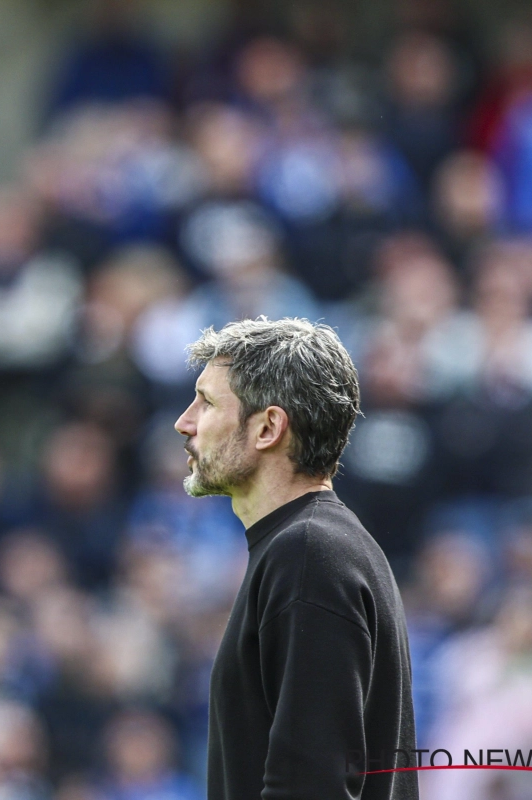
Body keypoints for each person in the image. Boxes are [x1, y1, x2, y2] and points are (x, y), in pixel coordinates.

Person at [174, 318, 417, 799]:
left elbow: (310, 786)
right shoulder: (315, 546)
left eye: (206, 402)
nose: (185, 421)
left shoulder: (309, 553)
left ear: (268, 428)